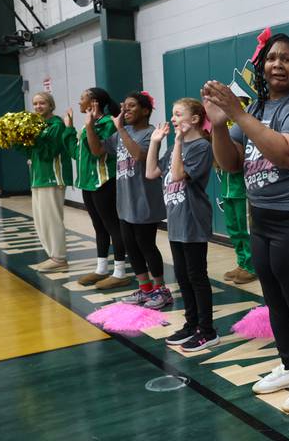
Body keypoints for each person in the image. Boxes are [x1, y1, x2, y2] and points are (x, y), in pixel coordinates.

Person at [203, 30, 289, 413]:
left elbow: (287, 154)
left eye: (286, 59)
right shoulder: (256, 107)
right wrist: (218, 124)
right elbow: (230, 162)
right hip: (265, 214)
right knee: (275, 297)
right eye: (271, 59)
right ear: (261, 66)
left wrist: (237, 114)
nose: (277, 64)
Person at [146, 98, 217, 351]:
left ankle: (207, 330)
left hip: (193, 219)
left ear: (195, 119)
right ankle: (191, 324)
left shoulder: (200, 147)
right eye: (172, 114)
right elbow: (152, 172)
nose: (173, 119)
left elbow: (177, 175)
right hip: (176, 220)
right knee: (182, 276)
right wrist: (155, 143)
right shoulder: (176, 147)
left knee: (197, 276)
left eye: (178, 114)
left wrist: (176, 142)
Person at [85, 91, 170, 303]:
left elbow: (139, 156)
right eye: (125, 106)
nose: (126, 110)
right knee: (130, 245)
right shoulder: (123, 133)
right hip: (125, 200)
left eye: (132, 106)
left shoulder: (152, 133)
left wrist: (120, 128)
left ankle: (161, 290)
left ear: (145, 110)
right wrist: (89, 126)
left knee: (146, 244)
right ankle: (145, 288)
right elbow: (97, 151)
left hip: (145, 200)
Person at [65, 88, 128, 287]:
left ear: (93, 102)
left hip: (104, 181)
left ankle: (120, 272)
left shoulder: (108, 123)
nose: (79, 101)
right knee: (99, 228)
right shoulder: (89, 124)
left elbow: (97, 153)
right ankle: (101, 268)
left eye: (82, 98)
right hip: (88, 183)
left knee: (112, 226)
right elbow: (76, 154)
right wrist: (69, 129)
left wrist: (89, 126)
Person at [23, 92, 76, 271]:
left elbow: (48, 152)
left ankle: (59, 258)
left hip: (53, 177)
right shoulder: (38, 124)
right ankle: (53, 255)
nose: (38, 107)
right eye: (35, 104)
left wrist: (34, 136)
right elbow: (31, 154)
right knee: (41, 220)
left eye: (42, 103)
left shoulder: (56, 125)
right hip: (38, 178)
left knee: (52, 219)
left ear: (51, 105)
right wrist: (19, 140)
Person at [217, 160, 257, 285]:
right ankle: (242, 263)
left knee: (245, 231)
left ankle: (251, 267)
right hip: (227, 190)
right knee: (233, 230)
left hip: (241, 191)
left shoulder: (241, 140)